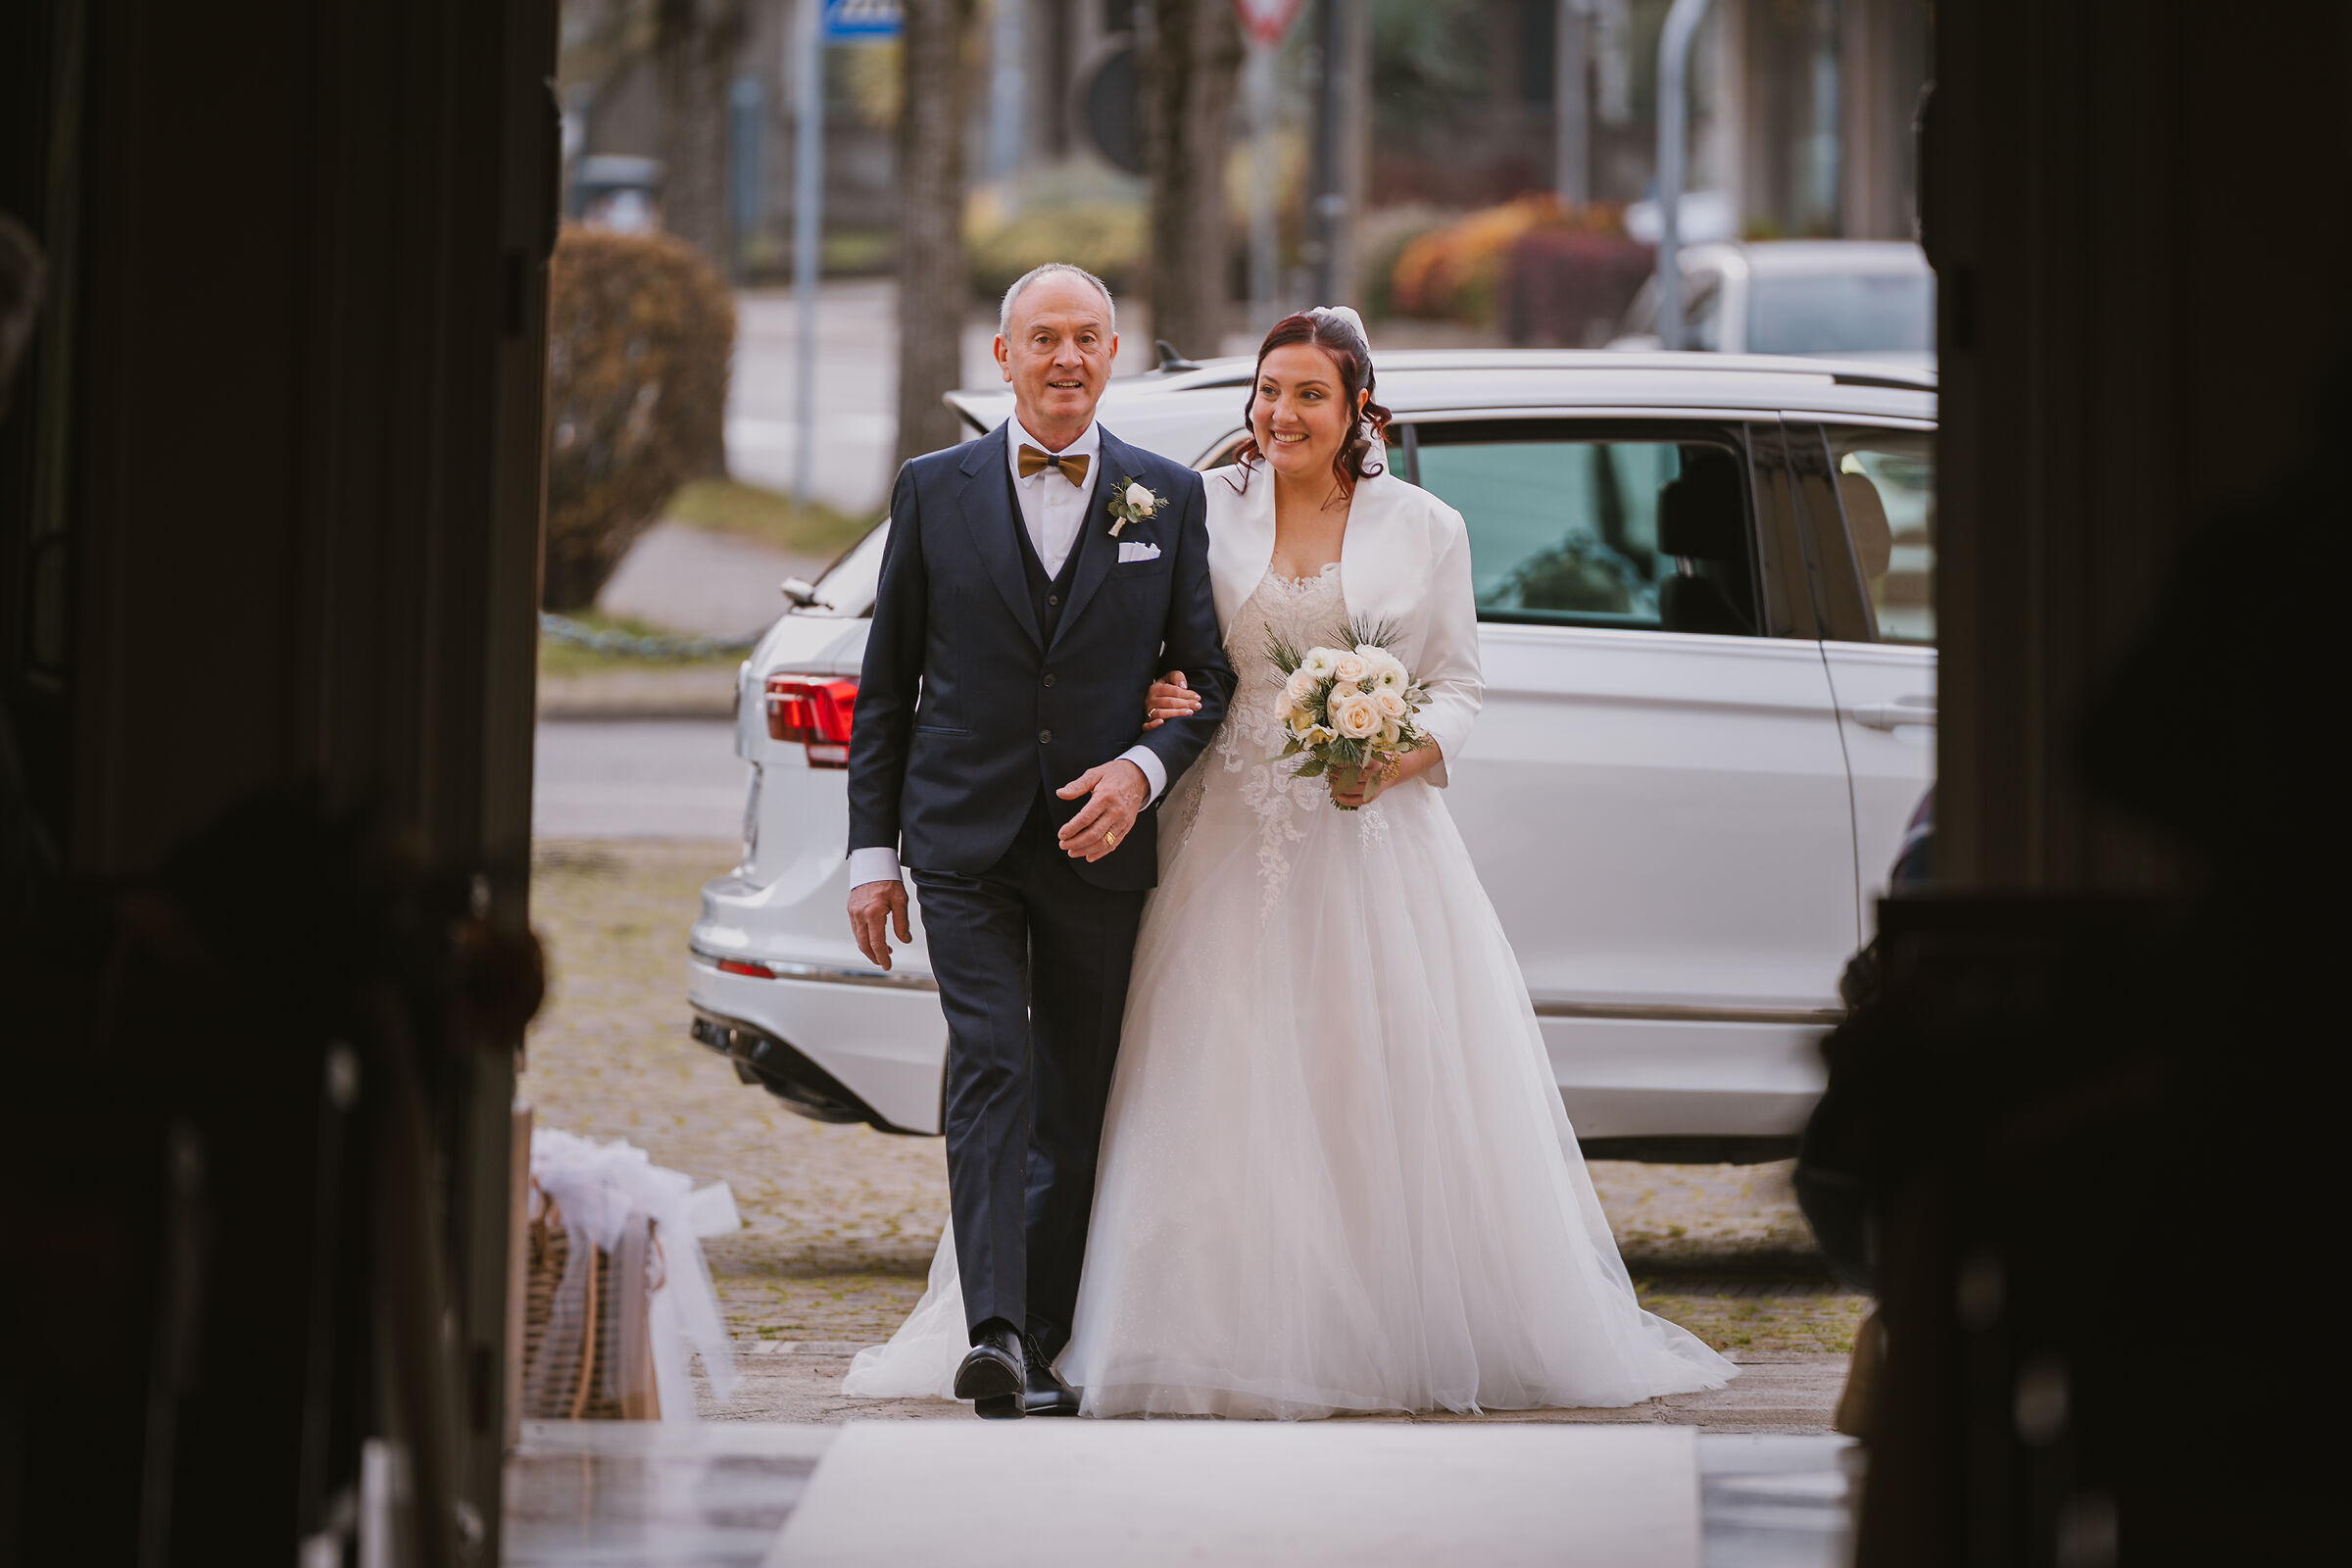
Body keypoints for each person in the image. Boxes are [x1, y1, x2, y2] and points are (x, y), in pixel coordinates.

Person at [848, 307, 1734, 1418]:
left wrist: (1396, 753)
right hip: (1215, 827)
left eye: (1311, 394)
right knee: (1190, 1076)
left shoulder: (1426, 526)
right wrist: (1161, 700)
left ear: (1359, 407)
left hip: (1364, 835)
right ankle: (1106, 1326)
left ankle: (1365, 1328)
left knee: (1359, 1078)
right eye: (1270, 391)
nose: (1283, 413)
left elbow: (1459, 684)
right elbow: (1150, 644)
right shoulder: (1200, 501)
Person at [843, 264, 1235, 1417]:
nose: (1066, 357)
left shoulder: (1167, 495)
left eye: (1087, 337)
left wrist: (1142, 769)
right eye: (1044, 337)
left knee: (1072, 1088)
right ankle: (996, 1332)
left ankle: (1046, 1337)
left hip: (1097, 841)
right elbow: (886, 684)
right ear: (1004, 356)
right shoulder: (933, 488)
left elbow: (1207, 677)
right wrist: (872, 855)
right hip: (959, 835)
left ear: (1113, 354)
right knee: (992, 1065)